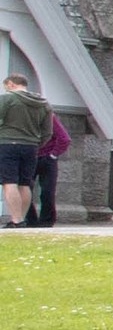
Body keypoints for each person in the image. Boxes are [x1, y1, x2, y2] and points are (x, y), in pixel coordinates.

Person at [0, 68, 52, 227]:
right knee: (25, 183)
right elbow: (48, 131)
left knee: (9, 182)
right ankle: (22, 220)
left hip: (8, 144)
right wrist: (37, 143)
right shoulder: (43, 103)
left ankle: (15, 219)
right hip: (31, 147)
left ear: (10, 84)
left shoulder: (7, 99)